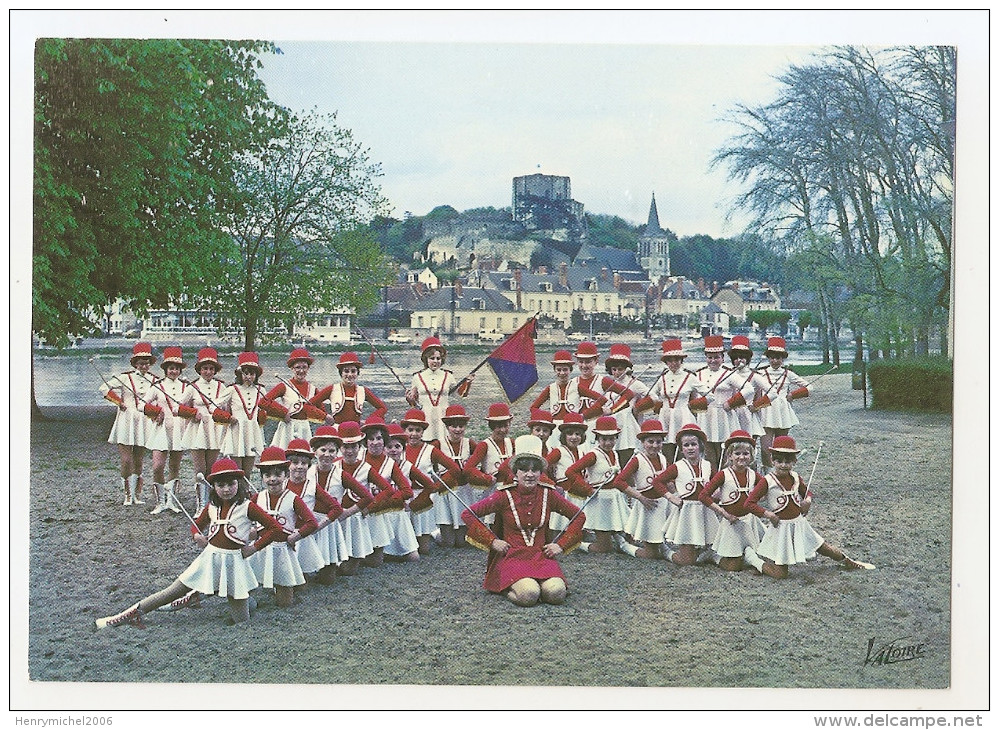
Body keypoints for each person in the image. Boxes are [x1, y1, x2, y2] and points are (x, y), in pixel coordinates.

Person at [95, 458, 285, 629]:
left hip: (234, 563)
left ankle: (245, 601)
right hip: (208, 559)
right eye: (220, 485)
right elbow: (196, 526)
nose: (226, 489)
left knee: (241, 621)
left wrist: (253, 548)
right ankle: (126, 616)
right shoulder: (212, 506)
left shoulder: (248, 506)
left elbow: (275, 528)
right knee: (172, 591)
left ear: (239, 483)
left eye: (231, 484)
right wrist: (197, 536)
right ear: (214, 487)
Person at [461, 435, 586, 608]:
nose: (529, 474)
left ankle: (532, 586)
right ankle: (504, 587)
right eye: (524, 470)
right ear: (515, 472)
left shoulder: (548, 494)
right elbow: (468, 514)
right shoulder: (503, 495)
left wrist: (561, 545)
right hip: (513, 558)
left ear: (540, 473)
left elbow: (579, 516)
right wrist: (492, 541)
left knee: (557, 594)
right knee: (529, 595)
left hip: (541, 556)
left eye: (535, 470)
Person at [745, 436, 875, 578]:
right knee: (780, 574)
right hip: (781, 528)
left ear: (794, 461)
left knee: (825, 548)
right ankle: (753, 559)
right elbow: (749, 504)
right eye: (779, 461)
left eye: (787, 462)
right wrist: (768, 514)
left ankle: (848, 560)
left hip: (799, 523)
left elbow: (807, 492)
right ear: (772, 460)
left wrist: (807, 500)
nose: (783, 465)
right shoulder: (767, 481)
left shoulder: (795, 477)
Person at [248, 446, 316, 607]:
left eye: (278, 475)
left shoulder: (293, 499)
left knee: (285, 601)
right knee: (249, 578)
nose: (273, 479)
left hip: (283, 549)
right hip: (261, 548)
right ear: (262, 477)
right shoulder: (257, 498)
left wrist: (296, 536)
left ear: (286, 475)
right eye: (267, 475)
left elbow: (311, 522)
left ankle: (283, 590)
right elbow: (243, 518)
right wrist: (251, 531)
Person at [697, 430, 767, 572]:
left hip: (749, 521)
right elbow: (703, 496)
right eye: (737, 453)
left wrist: (759, 499)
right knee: (733, 567)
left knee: (749, 559)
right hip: (731, 522)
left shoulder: (754, 475)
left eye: (746, 454)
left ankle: (749, 556)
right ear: (729, 455)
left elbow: (769, 488)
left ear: (751, 456)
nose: (742, 457)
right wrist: (724, 513)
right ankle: (714, 556)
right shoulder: (723, 474)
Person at [652, 423, 719, 566]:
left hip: (705, 510)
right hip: (687, 511)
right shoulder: (678, 466)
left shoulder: (708, 465)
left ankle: (705, 552)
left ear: (700, 446)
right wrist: (671, 497)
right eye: (686, 445)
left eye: (693, 444)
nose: (690, 448)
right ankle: (666, 552)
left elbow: (719, 482)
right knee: (686, 562)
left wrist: (717, 492)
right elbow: (657, 482)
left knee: (711, 543)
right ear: (681, 449)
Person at [100, 341, 158, 506]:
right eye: (140, 362)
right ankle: (126, 494)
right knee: (126, 460)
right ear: (135, 363)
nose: (143, 365)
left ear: (150, 363)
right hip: (126, 419)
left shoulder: (154, 380)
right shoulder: (125, 378)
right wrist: (119, 402)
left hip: (143, 420)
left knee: (139, 460)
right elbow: (104, 388)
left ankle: (136, 495)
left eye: (146, 362)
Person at [398, 408, 463, 544]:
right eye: (410, 430)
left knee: (424, 548)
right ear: (404, 431)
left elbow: (454, 469)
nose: (414, 434)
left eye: (418, 430)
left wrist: (436, 487)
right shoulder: (398, 449)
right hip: (402, 498)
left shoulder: (430, 450)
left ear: (423, 432)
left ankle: (434, 533)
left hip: (423, 498)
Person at [564, 415, 627, 554]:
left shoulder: (615, 454)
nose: (608, 443)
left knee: (625, 533)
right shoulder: (593, 455)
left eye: (612, 439)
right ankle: (578, 544)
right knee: (605, 549)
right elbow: (570, 472)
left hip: (614, 498)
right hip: (600, 501)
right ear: (597, 438)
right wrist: (587, 489)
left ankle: (620, 541)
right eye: (604, 439)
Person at [362, 415, 419, 564]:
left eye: (379, 438)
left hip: (382, 510)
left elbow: (407, 491)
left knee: (413, 558)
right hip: (362, 512)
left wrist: (383, 501)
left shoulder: (389, 463)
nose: (375, 443)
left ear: (384, 440)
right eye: (371, 439)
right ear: (365, 442)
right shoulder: (359, 458)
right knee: (373, 562)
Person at [634, 339, 702, 463]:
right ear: (666, 362)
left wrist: (695, 404)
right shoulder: (662, 378)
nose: (673, 363)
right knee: (667, 448)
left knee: (684, 447)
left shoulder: (690, 377)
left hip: (683, 415)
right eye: (670, 360)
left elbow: (709, 395)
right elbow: (650, 393)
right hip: (665, 415)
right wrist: (657, 404)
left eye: (676, 360)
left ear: (681, 361)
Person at [177, 347, 228, 510]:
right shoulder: (192, 387)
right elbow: (177, 407)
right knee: (200, 470)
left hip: (214, 429)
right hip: (197, 430)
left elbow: (227, 408)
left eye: (211, 368)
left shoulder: (221, 387)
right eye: (205, 368)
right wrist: (192, 412)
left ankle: (212, 503)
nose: (208, 372)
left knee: (211, 469)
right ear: (199, 370)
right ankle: (200, 506)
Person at [613, 420, 671, 559]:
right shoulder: (637, 459)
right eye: (650, 441)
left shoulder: (663, 458)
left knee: (659, 544)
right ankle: (623, 545)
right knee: (650, 555)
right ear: (643, 442)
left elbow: (670, 479)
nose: (655, 445)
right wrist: (639, 497)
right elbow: (619, 481)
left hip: (661, 504)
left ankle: (663, 548)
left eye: (658, 442)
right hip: (647, 506)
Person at [282, 438, 336, 584]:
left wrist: (318, 526)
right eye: (294, 462)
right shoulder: (281, 484)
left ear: (309, 465)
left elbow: (336, 508)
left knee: (302, 582)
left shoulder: (313, 486)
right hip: (284, 534)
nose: (299, 466)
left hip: (303, 535)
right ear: (287, 465)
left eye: (304, 463)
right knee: (286, 578)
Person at [143, 346, 188, 515]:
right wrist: (155, 412)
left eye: (177, 368)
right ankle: (159, 502)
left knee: (175, 466)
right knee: (157, 466)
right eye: (171, 368)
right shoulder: (157, 386)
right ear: (165, 369)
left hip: (179, 428)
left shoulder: (186, 387)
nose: (174, 371)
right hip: (161, 429)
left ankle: (171, 501)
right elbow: (142, 404)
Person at [528, 350, 606, 449]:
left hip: (572, 428)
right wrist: (546, 419)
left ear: (570, 370)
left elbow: (601, 399)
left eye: (565, 369)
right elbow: (534, 407)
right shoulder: (550, 388)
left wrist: (584, 415)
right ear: (554, 370)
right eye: (559, 370)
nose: (562, 373)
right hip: (555, 427)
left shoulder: (577, 387)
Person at [690, 335, 742, 473]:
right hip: (706, 416)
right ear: (706, 358)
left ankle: (726, 478)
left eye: (716, 357)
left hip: (724, 415)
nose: (713, 360)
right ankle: (713, 481)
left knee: (725, 451)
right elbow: (691, 394)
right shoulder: (698, 374)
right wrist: (695, 406)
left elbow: (748, 389)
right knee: (708, 452)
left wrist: (731, 403)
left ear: (722, 358)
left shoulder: (729, 374)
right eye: (710, 357)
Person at [756, 337, 811, 468]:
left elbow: (809, 387)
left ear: (783, 358)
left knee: (780, 448)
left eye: (778, 358)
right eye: (772, 357)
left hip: (782, 412)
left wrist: (793, 395)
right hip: (766, 410)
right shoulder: (761, 373)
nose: (775, 361)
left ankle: (779, 472)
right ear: (768, 358)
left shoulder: (788, 374)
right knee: (766, 448)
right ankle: (767, 474)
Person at [213, 352, 269, 479]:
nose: (249, 376)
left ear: (256, 375)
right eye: (246, 373)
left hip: (253, 432)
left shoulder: (261, 390)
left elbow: (269, 406)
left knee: (247, 472)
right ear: (240, 374)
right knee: (237, 471)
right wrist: (227, 417)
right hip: (236, 432)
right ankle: (238, 496)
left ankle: (246, 495)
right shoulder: (232, 389)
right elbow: (213, 406)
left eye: (252, 373)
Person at [385, 423, 439, 555]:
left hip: (405, 510)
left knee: (423, 551)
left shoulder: (407, 466)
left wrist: (415, 504)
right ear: (383, 449)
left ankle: (434, 533)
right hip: (385, 511)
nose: (393, 450)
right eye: (389, 447)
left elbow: (430, 486)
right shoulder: (378, 466)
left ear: (403, 449)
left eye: (397, 447)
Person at [405, 337, 468, 443]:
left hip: (443, 416)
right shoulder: (417, 377)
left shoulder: (448, 375)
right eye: (432, 358)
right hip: (426, 415)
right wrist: (409, 399)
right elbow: (413, 403)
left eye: (438, 358)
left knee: (444, 443)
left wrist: (468, 382)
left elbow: (461, 394)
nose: (435, 361)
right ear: (426, 359)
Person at [264, 348, 327, 449]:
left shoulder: (313, 389)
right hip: (287, 427)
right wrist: (283, 413)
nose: (301, 371)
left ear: (308, 368)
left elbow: (321, 410)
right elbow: (263, 402)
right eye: (297, 367)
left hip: (304, 428)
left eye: (304, 367)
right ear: (292, 368)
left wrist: (322, 415)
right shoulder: (284, 386)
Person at [434, 404, 478, 548]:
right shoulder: (438, 444)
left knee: (461, 543)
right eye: (453, 426)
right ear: (447, 426)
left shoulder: (469, 443)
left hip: (464, 491)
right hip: (446, 491)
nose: (458, 430)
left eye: (461, 426)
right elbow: (430, 468)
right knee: (448, 543)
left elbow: (482, 457)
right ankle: (435, 533)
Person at [309, 351, 389, 426]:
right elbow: (309, 405)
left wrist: (368, 421)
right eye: (346, 371)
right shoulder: (332, 389)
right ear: (341, 373)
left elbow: (382, 408)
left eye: (353, 371)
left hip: (356, 431)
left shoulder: (363, 391)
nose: (350, 375)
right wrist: (325, 416)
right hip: (337, 431)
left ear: (357, 373)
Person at [602, 343, 650, 464]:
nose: (617, 372)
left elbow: (653, 397)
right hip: (611, 422)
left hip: (627, 423)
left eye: (620, 369)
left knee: (627, 456)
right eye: (614, 369)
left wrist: (637, 408)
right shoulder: (609, 384)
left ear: (627, 369)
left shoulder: (635, 383)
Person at [545, 412, 592, 534]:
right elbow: (543, 466)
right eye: (570, 434)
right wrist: (552, 484)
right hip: (565, 493)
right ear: (563, 436)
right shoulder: (558, 451)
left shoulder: (582, 452)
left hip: (579, 492)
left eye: (577, 434)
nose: (574, 437)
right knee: (560, 526)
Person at [724, 336, 767, 443]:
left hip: (748, 414)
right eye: (736, 358)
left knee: (748, 444)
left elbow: (765, 394)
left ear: (748, 359)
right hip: (731, 412)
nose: (739, 360)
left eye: (742, 357)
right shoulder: (727, 374)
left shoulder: (755, 375)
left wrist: (756, 406)